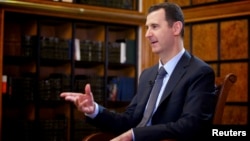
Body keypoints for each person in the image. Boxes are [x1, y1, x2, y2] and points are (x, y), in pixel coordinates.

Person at [60, 2, 216, 141]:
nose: (147, 34)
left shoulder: (200, 73)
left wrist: (135, 135)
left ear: (176, 28)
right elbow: (128, 120)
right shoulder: (148, 74)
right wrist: (94, 110)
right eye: (147, 27)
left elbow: (190, 127)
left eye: (154, 26)